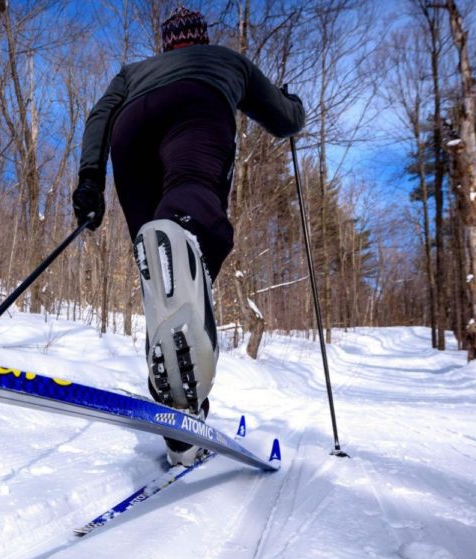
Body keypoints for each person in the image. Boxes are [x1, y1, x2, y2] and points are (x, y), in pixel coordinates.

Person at [71, 7, 306, 467]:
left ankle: (180, 413)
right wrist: (292, 104)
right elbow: (284, 119)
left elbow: (100, 113)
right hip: (198, 104)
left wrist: (89, 180)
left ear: (166, 43)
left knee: (159, 267)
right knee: (193, 215)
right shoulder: (224, 60)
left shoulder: (133, 71)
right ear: (201, 38)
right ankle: (188, 388)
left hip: (130, 128)